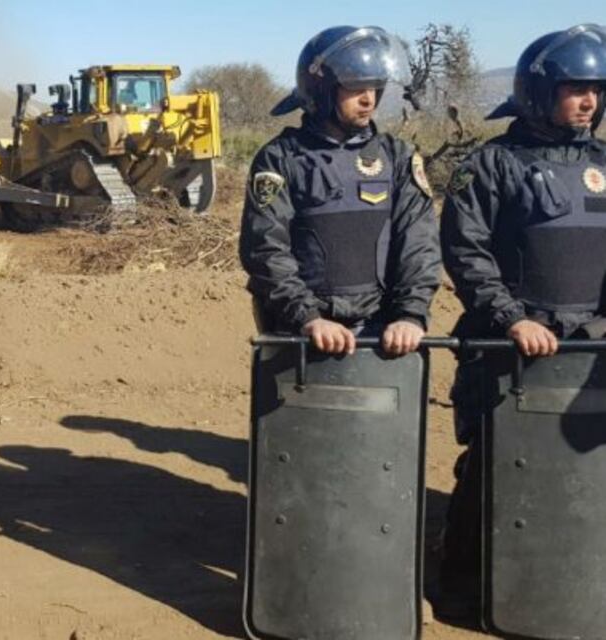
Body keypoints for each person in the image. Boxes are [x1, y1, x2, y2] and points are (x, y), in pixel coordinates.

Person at [438, 23, 606, 619]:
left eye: (596, 88)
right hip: (508, 350)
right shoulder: (490, 164)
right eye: (574, 88)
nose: (588, 100)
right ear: (539, 92)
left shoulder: (603, 164)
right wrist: (510, 319)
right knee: (491, 467)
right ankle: (458, 584)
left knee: (584, 473)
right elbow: (465, 250)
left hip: (591, 354)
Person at [240, 26, 440, 356]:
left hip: (381, 335)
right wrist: (308, 317)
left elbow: (419, 244)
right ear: (321, 89)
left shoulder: (397, 156)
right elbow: (265, 248)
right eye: (355, 87)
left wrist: (410, 315)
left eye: (375, 87)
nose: (369, 99)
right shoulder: (281, 158)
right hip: (301, 334)